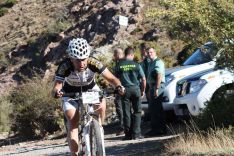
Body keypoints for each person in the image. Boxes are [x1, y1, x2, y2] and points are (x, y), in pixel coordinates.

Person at [52, 37, 125, 156]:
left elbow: (111, 78)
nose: (81, 63)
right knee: (73, 120)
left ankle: (98, 126)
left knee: (101, 104)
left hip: (90, 89)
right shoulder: (65, 66)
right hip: (70, 93)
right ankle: (74, 154)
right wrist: (57, 92)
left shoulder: (93, 62)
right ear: (71, 58)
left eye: (84, 59)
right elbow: (57, 85)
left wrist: (119, 86)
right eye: (77, 60)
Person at [115, 46, 146, 140]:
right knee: (137, 111)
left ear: (125, 54)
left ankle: (128, 135)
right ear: (132, 55)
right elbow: (143, 79)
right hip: (136, 89)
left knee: (126, 112)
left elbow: (115, 79)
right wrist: (143, 90)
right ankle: (136, 134)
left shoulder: (119, 65)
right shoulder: (137, 65)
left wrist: (118, 89)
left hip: (125, 90)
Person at [145, 47, 167, 137]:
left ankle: (158, 129)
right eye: (148, 52)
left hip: (157, 86)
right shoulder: (151, 63)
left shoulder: (158, 62)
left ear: (155, 52)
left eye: (151, 52)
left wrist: (156, 88)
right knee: (155, 109)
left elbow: (159, 75)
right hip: (152, 86)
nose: (150, 54)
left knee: (155, 109)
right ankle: (159, 129)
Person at [113, 48, 125, 136]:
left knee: (120, 108)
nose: (114, 56)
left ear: (118, 55)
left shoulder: (119, 64)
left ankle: (123, 127)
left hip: (120, 89)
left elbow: (116, 78)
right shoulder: (127, 62)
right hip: (128, 87)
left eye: (114, 54)